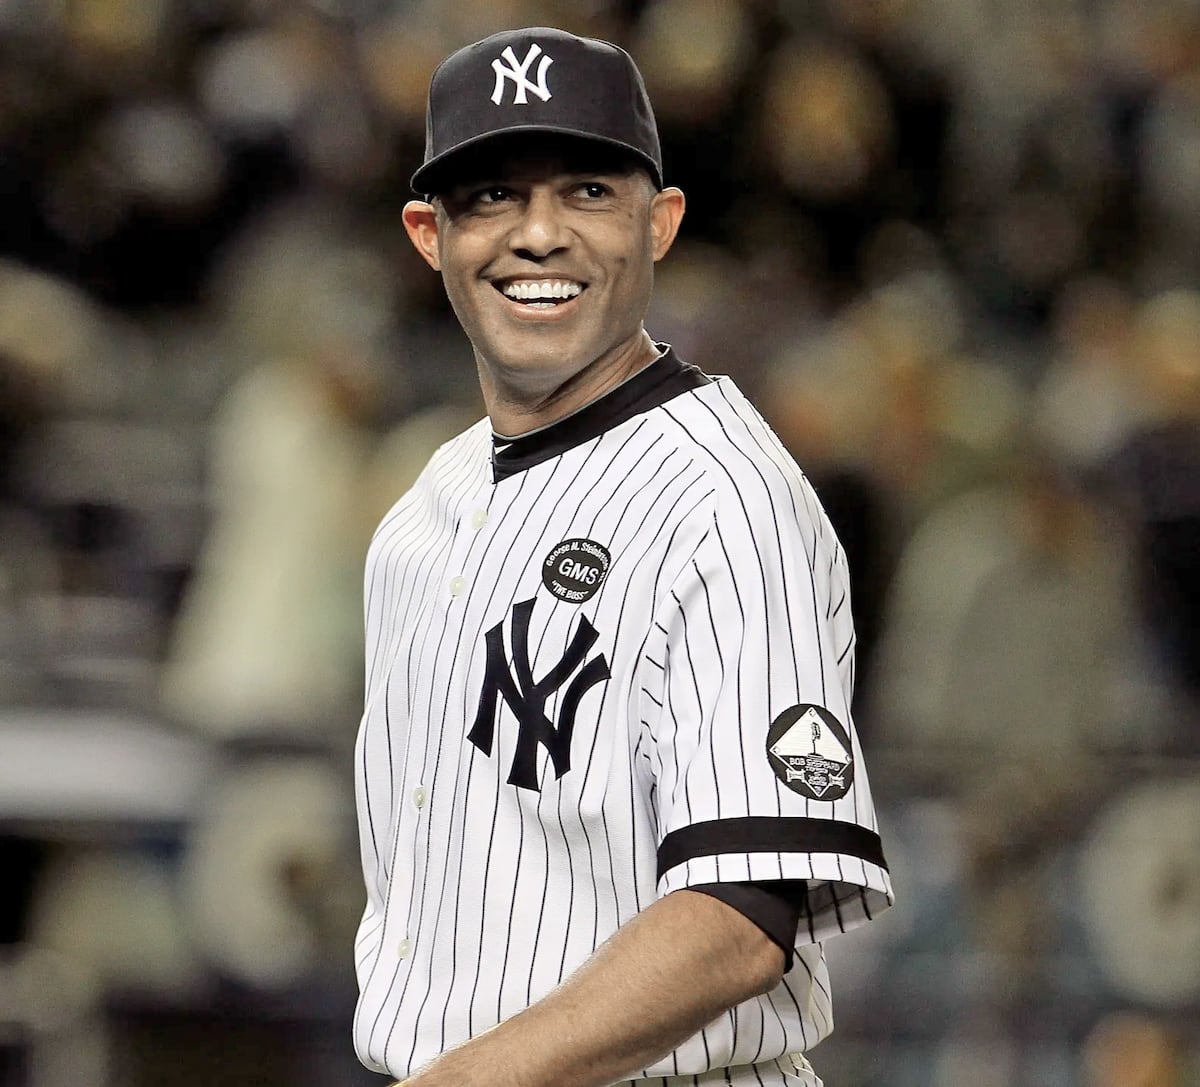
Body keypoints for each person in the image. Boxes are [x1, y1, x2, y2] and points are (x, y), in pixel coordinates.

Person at [352, 27, 893, 1087]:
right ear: (429, 235)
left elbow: (738, 917)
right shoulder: (426, 508)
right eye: (493, 196)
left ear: (661, 222)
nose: (538, 235)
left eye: (589, 192)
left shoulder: (727, 500)